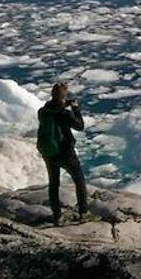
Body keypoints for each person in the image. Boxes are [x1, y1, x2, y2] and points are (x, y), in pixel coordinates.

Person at [36, 82, 88, 225]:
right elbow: (80, 126)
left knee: (54, 184)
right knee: (79, 181)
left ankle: (57, 216)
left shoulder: (43, 110)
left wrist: (63, 104)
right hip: (65, 153)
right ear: (64, 96)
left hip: (49, 153)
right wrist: (75, 109)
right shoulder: (66, 114)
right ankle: (84, 213)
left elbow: (54, 110)